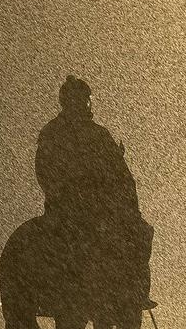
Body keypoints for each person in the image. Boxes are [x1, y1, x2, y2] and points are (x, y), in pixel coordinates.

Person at [35, 75, 154, 312]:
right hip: (77, 207)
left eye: (85, 100)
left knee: (141, 231)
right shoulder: (77, 133)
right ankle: (135, 292)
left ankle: (135, 291)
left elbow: (121, 175)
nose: (85, 104)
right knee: (138, 232)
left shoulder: (75, 133)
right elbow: (44, 170)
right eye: (82, 100)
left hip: (78, 205)